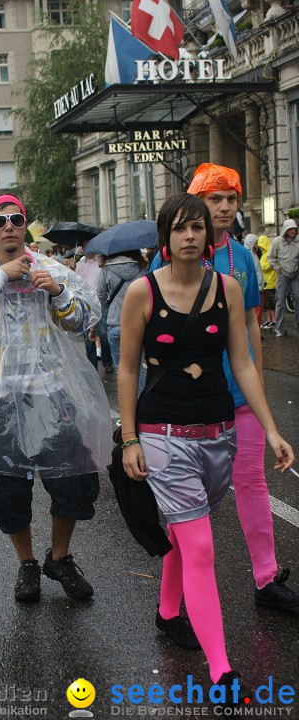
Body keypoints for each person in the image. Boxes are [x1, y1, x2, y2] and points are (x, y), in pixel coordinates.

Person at [119, 192, 294, 704]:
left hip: (218, 433)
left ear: (211, 235)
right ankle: (222, 673)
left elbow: (242, 364)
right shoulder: (141, 292)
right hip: (163, 437)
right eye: (180, 229)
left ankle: (168, 611)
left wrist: (272, 429)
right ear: (166, 239)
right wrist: (130, 437)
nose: (191, 236)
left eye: (198, 227)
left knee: (185, 532)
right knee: (199, 545)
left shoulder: (230, 289)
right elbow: (127, 369)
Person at [0, 193, 111, 602]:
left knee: (72, 483)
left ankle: (59, 557)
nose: (7, 227)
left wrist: (58, 292)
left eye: (15, 219)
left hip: (53, 395)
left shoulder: (53, 269)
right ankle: (27, 564)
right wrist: (1, 277)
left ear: (25, 225)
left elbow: (84, 323)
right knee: (7, 493)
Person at [184, 163, 299, 611]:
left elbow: (252, 326)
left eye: (232, 198)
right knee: (193, 495)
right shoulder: (171, 255)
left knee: (251, 481)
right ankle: (185, 595)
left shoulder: (244, 257)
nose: (227, 207)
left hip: (239, 396)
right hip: (190, 400)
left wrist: (260, 392)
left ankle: (266, 578)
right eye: (216, 198)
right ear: (199, 201)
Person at [96, 250, 148, 372]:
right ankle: (139, 392)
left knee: (122, 369)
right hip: (138, 324)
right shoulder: (142, 267)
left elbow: (100, 299)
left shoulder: (106, 270)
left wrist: (93, 327)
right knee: (137, 367)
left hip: (115, 323)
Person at [75, 241, 114, 373]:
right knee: (88, 337)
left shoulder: (101, 262)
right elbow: (76, 283)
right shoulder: (80, 265)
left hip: (102, 302)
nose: (85, 248)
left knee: (103, 334)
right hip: (86, 303)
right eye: (83, 245)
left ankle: (107, 361)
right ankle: (92, 365)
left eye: (87, 245)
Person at [268, 218, 299, 337]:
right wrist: (277, 268)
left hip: (295, 275)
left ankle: (298, 324)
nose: (292, 231)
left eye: (294, 229)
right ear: (286, 230)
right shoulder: (277, 242)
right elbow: (271, 257)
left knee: (298, 297)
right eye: (290, 229)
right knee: (280, 301)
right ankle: (279, 328)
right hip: (283, 275)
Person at [243, 233, 265, 327]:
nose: (257, 244)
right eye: (256, 242)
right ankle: (255, 330)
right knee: (256, 309)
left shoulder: (253, 253)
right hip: (254, 286)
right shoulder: (249, 254)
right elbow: (254, 271)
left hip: (258, 285)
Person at [258, 233, 276, 330]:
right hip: (266, 282)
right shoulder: (264, 254)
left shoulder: (269, 254)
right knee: (268, 304)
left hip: (270, 282)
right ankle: (269, 320)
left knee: (271, 304)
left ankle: (273, 320)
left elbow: (269, 265)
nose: (260, 248)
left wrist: (261, 266)